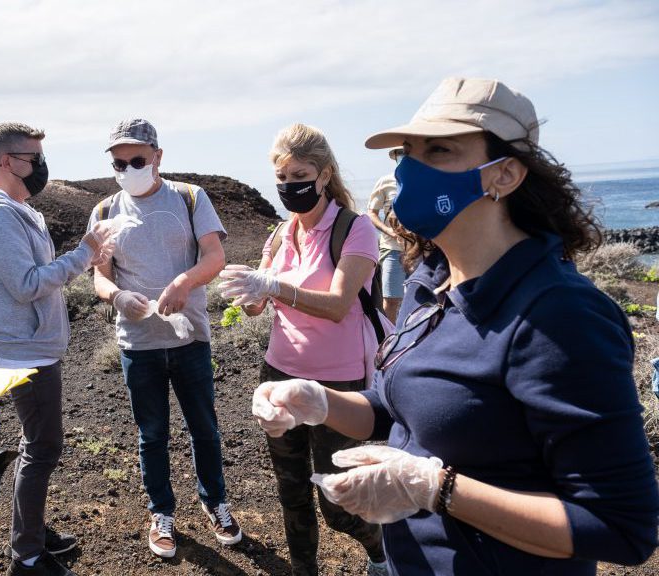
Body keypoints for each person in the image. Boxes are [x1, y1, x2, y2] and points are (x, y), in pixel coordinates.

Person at [252, 77, 659, 575]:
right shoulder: (431, 281)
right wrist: (317, 401)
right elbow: (395, 405)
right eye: (406, 155)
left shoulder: (561, 317)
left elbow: (620, 527)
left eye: (440, 151)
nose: (411, 171)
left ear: (504, 175)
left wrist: (436, 489)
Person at [218, 124, 387, 576]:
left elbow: (337, 305)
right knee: (291, 491)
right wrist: (249, 296)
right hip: (278, 375)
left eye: (300, 174)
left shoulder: (355, 230)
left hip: (339, 382)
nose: (290, 185)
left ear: (325, 173)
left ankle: (381, 552)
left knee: (338, 500)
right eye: (282, 177)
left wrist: (273, 284)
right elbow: (259, 307)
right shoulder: (279, 234)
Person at [0, 122, 116, 576]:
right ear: (6, 162)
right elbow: (26, 286)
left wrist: (86, 259)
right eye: (33, 158)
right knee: (42, 448)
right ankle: (26, 556)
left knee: (38, 444)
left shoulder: (18, 210)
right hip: (24, 352)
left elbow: (40, 274)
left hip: (34, 345)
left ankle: (34, 533)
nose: (41, 167)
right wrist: (83, 254)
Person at [88, 118, 241, 559]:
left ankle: (216, 504)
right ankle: (162, 514)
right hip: (139, 345)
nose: (128, 167)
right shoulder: (103, 212)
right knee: (151, 434)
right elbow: (101, 276)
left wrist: (184, 282)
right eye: (119, 162)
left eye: (137, 159)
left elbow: (214, 256)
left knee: (205, 429)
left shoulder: (191, 198)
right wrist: (116, 296)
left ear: (158, 156)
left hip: (190, 338)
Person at [366, 147, 405, 322]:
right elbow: (371, 212)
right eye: (400, 153)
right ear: (395, 157)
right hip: (392, 248)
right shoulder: (385, 182)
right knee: (391, 299)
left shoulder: (425, 179)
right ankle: (391, 341)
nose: (404, 156)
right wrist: (389, 230)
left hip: (421, 251)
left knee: (423, 298)